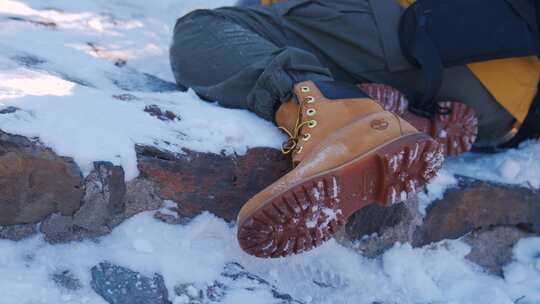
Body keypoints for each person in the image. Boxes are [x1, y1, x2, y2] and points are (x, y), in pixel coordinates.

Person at [169, 0, 540, 258]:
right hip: (502, 103)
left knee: (203, 30)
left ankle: (340, 116)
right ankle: (387, 110)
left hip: (410, 28)